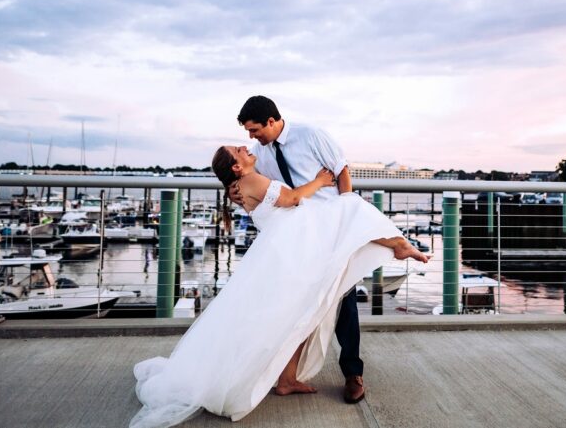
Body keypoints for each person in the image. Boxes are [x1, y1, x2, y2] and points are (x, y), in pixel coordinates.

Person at [129, 144, 427, 428]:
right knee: (349, 210)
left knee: (298, 318)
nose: (247, 148)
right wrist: (320, 181)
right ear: (236, 165)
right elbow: (293, 199)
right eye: (240, 150)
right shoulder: (251, 180)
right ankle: (399, 245)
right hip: (289, 254)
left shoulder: (243, 183)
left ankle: (287, 380)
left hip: (287, 249)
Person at [234, 95, 418, 404]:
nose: (251, 137)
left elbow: (342, 171)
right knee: (295, 305)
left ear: (271, 120)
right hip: (301, 239)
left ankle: (352, 374)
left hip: (333, 230)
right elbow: (262, 188)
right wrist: (239, 194)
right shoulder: (259, 154)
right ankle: (283, 374)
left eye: (254, 130)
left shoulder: (312, 135)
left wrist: (347, 215)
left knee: (344, 299)